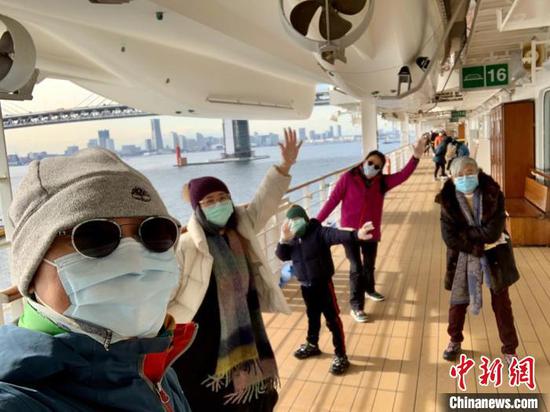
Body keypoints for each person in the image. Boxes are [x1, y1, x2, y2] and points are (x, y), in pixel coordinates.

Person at [0, 148, 193, 412]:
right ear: (31, 271)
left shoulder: (148, 359)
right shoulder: (17, 402)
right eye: (94, 237)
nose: (135, 259)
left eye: (155, 233)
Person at [169, 128, 302, 411]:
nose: (218, 204)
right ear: (197, 208)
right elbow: (167, 292)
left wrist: (285, 165)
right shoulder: (186, 245)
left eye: (222, 197)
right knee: (212, 399)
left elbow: (264, 202)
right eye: (209, 201)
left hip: (242, 329)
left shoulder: (240, 230)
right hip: (201, 336)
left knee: (255, 395)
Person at [316, 136, 428, 323]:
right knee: (356, 268)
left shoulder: (382, 183)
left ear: (380, 170)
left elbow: (403, 175)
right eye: (370, 163)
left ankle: (369, 289)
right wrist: (315, 222)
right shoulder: (347, 178)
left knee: (369, 265)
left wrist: (415, 157)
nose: (373, 168)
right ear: (364, 161)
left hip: (370, 232)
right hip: (349, 232)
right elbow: (332, 202)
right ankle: (356, 306)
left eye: (377, 167)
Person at [435, 157, 520, 364]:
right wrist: (478, 242)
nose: (466, 177)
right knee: (458, 301)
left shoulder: (494, 194)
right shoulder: (448, 201)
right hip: (463, 257)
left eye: (470, 172)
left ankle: (509, 349)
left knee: (502, 304)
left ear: (478, 171)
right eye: (460, 175)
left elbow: (493, 232)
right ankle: (454, 340)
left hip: (496, 258)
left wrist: (467, 233)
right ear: (453, 179)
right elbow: (450, 238)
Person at [275, 205, 374, 375]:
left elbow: (336, 235)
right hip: (305, 286)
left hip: (323, 285)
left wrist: (356, 234)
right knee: (312, 317)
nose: (294, 225)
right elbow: (282, 255)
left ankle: (341, 355)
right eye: (291, 222)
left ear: (305, 219)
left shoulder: (318, 233)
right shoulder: (291, 240)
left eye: (297, 221)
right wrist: (283, 239)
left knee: (332, 320)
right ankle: (312, 344)